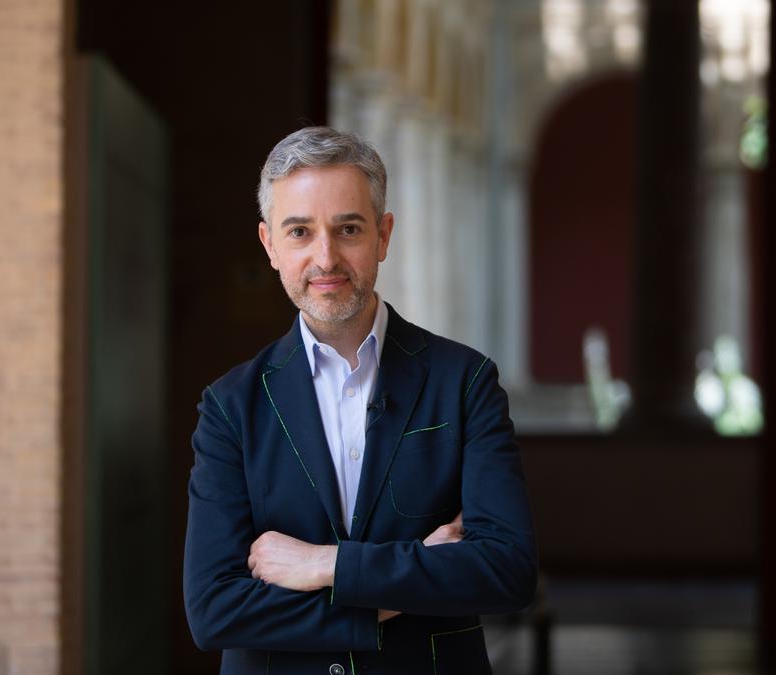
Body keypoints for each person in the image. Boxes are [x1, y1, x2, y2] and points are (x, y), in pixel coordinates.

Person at [183, 127, 537, 674]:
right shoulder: (230, 406)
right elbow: (214, 611)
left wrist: (326, 564)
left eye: (348, 228)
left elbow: (507, 571)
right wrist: (386, 602)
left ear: (383, 235)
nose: (325, 258)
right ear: (269, 245)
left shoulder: (465, 381)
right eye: (299, 231)